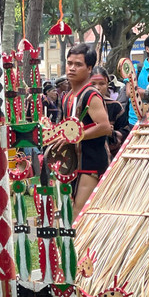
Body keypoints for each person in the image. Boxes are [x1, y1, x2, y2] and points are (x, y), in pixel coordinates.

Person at [54, 44, 111, 217]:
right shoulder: (67, 96)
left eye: (78, 64)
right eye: (69, 63)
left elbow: (105, 127)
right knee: (68, 211)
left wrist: (76, 136)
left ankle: (80, 245)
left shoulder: (90, 94)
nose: (71, 68)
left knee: (80, 213)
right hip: (71, 163)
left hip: (90, 163)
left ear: (89, 68)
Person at [90, 67, 129, 159]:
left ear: (107, 85)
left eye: (102, 84)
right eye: (93, 84)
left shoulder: (115, 107)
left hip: (111, 158)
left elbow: (125, 132)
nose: (97, 88)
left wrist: (112, 133)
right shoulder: (81, 106)